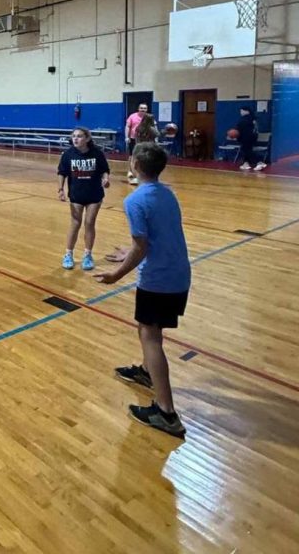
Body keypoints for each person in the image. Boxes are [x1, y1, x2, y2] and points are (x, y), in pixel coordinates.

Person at [94, 142, 190, 438]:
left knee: (151, 336)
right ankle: (148, 373)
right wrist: (130, 251)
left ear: (134, 164)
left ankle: (166, 413)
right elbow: (153, 239)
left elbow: (141, 246)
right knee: (147, 328)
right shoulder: (167, 193)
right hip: (179, 274)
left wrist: (116, 274)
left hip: (159, 280)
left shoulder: (135, 200)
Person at [57, 127, 110, 270]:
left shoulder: (97, 153)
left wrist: (106, 179)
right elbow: (62, 172)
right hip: (76, 195)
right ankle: (68, 254)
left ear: (87, 138)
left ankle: (87, 255)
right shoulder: (68, 154)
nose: (75, 138)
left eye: (79, 136)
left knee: (89, 223)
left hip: (94, 194)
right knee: (75, 223)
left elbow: (105, 170)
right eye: (74, 136)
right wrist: (60, 189)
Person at [235, 106, 266, 171]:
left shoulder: (244, 119)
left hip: (246, 137)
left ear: (247, 111)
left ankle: (259, 162)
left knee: (247, 151)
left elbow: (239, 128)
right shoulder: (253, 118)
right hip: (253, 136)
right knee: (246, 150)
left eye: (242, 111)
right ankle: (246, 164)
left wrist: (237, 135)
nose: (241, 112)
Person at [124, 103, 149, 185]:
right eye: (141, 108)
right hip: (133, 139)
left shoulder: (149, 118)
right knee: (132, 156)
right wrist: (127, 137)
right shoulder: (132, 116)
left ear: (147, 109)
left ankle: (142, 173)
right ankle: (132, 172)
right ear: (138, 109)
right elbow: (127, 126)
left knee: (143, 157)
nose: (143, 110)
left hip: (144, 140)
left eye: (144, 108)